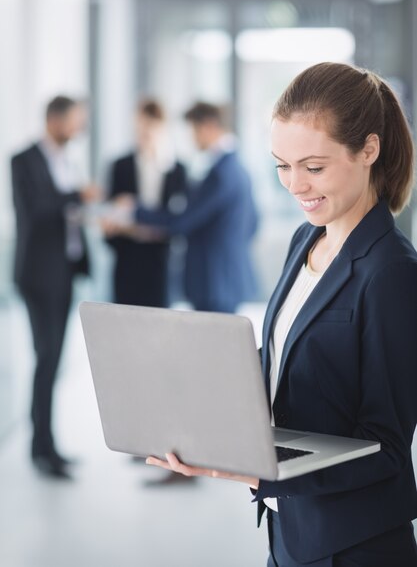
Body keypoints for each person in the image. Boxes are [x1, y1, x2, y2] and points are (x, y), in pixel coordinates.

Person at [145, 63, 417, 566]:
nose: (295, 185)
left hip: (354, 547)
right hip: (290, 531)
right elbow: (293, 357)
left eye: (313, 167)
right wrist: (190, 384)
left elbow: (387, 448)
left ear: (369, 150)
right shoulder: (306, 240)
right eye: (281, 165)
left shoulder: (392, 273)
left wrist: (257, 471)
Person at [11, 96, 99, 479]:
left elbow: (67, 215)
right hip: (37, 275)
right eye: (74, 122)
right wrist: (78, 196)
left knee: (53, 360)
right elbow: (36, 211)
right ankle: (41, 447)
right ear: (54, 120)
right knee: (46, 358)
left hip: (64, 272)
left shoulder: (66, 160)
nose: (78, 130)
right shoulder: (23, 160)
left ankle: (47, 444)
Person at [129, 101, 258, 314]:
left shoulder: (219, 174)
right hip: (225, 278)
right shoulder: (237, 167)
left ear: (207, 126)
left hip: (214, 281)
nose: (192, 138)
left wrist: (134, 210)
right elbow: (254, 223)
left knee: (211, 344)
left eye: (193, 130)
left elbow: (182, 222)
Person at [102, 98, 187, 307]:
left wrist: (137, 216)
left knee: (160, 325)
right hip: (127, 259)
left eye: (151, 127)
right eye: (141, 126)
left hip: (161, 261)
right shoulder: (119, 166)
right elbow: (109, 213)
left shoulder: (177, 170)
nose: (145, 133)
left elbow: (178, 219)